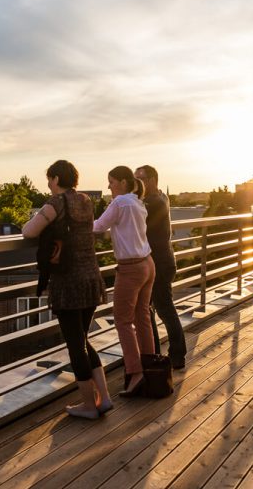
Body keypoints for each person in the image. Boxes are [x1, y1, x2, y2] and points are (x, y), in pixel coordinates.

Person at [22, 160, 111, 419]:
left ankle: (88, 405)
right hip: (91, 278)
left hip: (68, 283)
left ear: (57, 179)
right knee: (83, 340)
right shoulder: (86, 201)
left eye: (49, 180)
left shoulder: (55, 204)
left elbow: (29, 231)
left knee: (75, 344)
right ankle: (104, 398)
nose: (48, 185)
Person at [93, 166, 156, 397]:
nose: (108, 186)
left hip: (131, 269)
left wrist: (73, 228)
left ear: (121, 182)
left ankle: (135, 373)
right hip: (148, 264)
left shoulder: (120, 203)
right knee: (142, 317)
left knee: (122, 320)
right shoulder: (137, 202)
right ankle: (149, 367)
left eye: (110, 182)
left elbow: (98, 226)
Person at [134, 165, 186, 369]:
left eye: (141, 179)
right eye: (134, 179)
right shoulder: (161, 197)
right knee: (154, 309)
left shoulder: (153, 202)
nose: (137, 184)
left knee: (162, 309)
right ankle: (157, 353)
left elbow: (133, 219)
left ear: (153, 179)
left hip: (159, 263)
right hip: (161, 260)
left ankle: (174, 355)